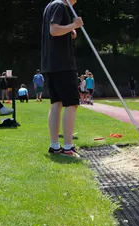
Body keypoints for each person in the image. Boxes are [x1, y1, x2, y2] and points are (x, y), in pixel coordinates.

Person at [41, 0, 84, 157]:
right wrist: (74, 25)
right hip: (62, 65)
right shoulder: (60, 5)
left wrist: (69, 30)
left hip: (51, 64)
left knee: (56, 104)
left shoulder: (51, 6)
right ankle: (68, 147)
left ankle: (55, 146)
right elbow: (54, 30)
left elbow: (55, 30)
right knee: (71, 104)